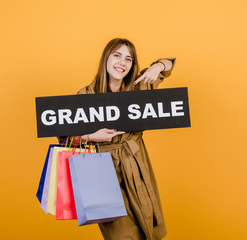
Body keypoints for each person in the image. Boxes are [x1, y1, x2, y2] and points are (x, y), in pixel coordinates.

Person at [59, 38, 175, 240]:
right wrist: (92, 136)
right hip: (103, 173)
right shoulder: (86, 94)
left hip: (138, 167)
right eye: (117, 55)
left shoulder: (139, 88)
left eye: (128, 59)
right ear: (106, 58)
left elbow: (170, 63)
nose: (122, 62)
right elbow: (66, 137)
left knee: (148, 229)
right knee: (123, 235)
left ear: (132, 65)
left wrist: (157, 67)